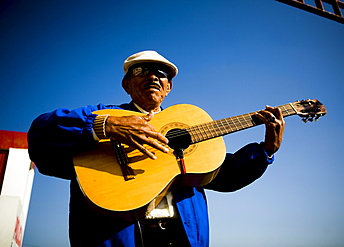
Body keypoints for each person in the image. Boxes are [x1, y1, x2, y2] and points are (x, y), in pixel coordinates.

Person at [28, 50, 285, 247]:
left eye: (162, 74)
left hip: (182, 236)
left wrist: (266, 151)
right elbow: (41, 134)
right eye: (142, 70)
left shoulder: (189, 126)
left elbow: (224, 176)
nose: (153, 76)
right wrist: (104, 125)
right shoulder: (102, 116)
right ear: (126, 84)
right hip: (118, 236)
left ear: (169, 87)